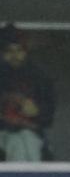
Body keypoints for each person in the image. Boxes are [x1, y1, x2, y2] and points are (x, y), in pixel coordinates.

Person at [0, 25, 55, 161]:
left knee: (26, 140)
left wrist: (37, 111)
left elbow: (48, 115)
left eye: (19, 50)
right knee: (15, 143)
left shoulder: (39, 76)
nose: (15, 56)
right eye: (9, 51)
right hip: (3, 133)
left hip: (31, 133)